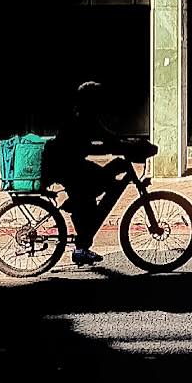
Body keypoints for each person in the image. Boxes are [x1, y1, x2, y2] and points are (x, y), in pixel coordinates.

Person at [45, 82, 131, 267]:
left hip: (70, 164)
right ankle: (80, 246)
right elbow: (105, 139)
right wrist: (121, 147)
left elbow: (106, 139)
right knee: (101, 184)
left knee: (90, 195)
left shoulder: (82, 114)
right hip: (65, 166)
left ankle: (81, 243)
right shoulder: (83, 117)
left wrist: (121, 144)